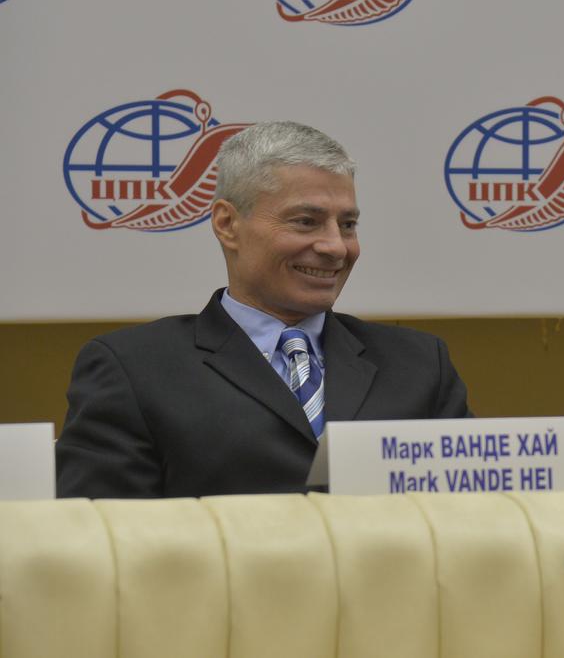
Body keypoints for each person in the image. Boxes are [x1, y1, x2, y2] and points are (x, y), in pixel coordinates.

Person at [56, 121, 471, 498]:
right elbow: (100, 541)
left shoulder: (419, 364)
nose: (335, 247)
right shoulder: (133, 369)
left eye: (347, 225)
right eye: (306, 221)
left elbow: (475, 518)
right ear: (227, 224)